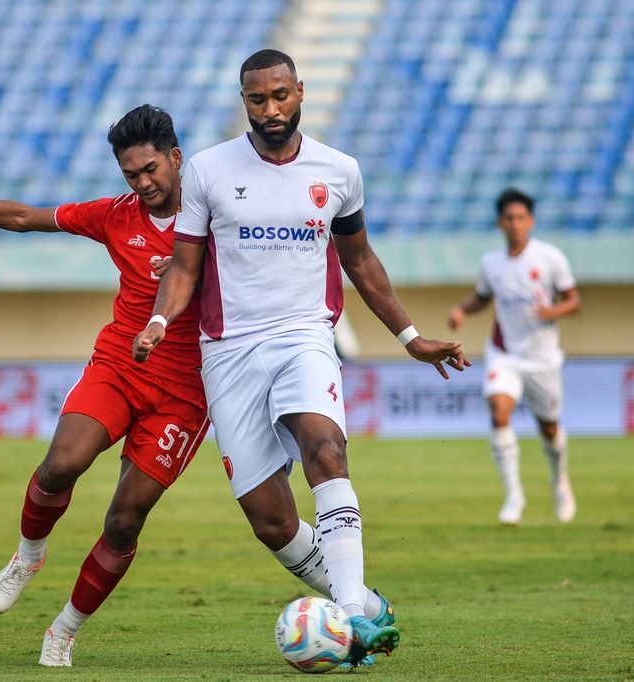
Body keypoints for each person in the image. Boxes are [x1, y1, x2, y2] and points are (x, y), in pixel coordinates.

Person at [133, 49, 470, 666]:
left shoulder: (338, 171)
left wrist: (410, 337)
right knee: (270, 521)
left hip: (305, 337)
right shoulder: (209, 171)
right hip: (228, 352)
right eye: (257, 100)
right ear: (244, 102)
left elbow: (360, 260)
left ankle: (343, 621)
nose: (271, 109)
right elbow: (184, 265)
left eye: (281, 95)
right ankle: (363, 604)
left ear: (300, 92)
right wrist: (159, 319)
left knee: (325, 447)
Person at [0, 105, 213, 667]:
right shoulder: (116, 215)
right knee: (61, 463)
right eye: (130, 176)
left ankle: (64, 630)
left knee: (124, 520)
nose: (143, 184)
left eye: (149, 170)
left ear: (176, 158)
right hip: (121, 363)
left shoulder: (217, 214)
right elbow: (24, 218)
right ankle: (27, 556)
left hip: (187, 392)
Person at [448, 188, 580, 526]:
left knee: (549, 427)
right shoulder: (491, 264)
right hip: (504, 353)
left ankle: (559, 480)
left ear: (531, 221)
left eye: (521, 218)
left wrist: (552, 311)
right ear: (499, 223)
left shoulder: (550, 258)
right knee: (499, 409)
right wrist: (462, 309)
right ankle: (513, 495)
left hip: (543, 358)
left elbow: (573, 301)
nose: (516, 224)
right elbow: (482, 297)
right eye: (510, 218)